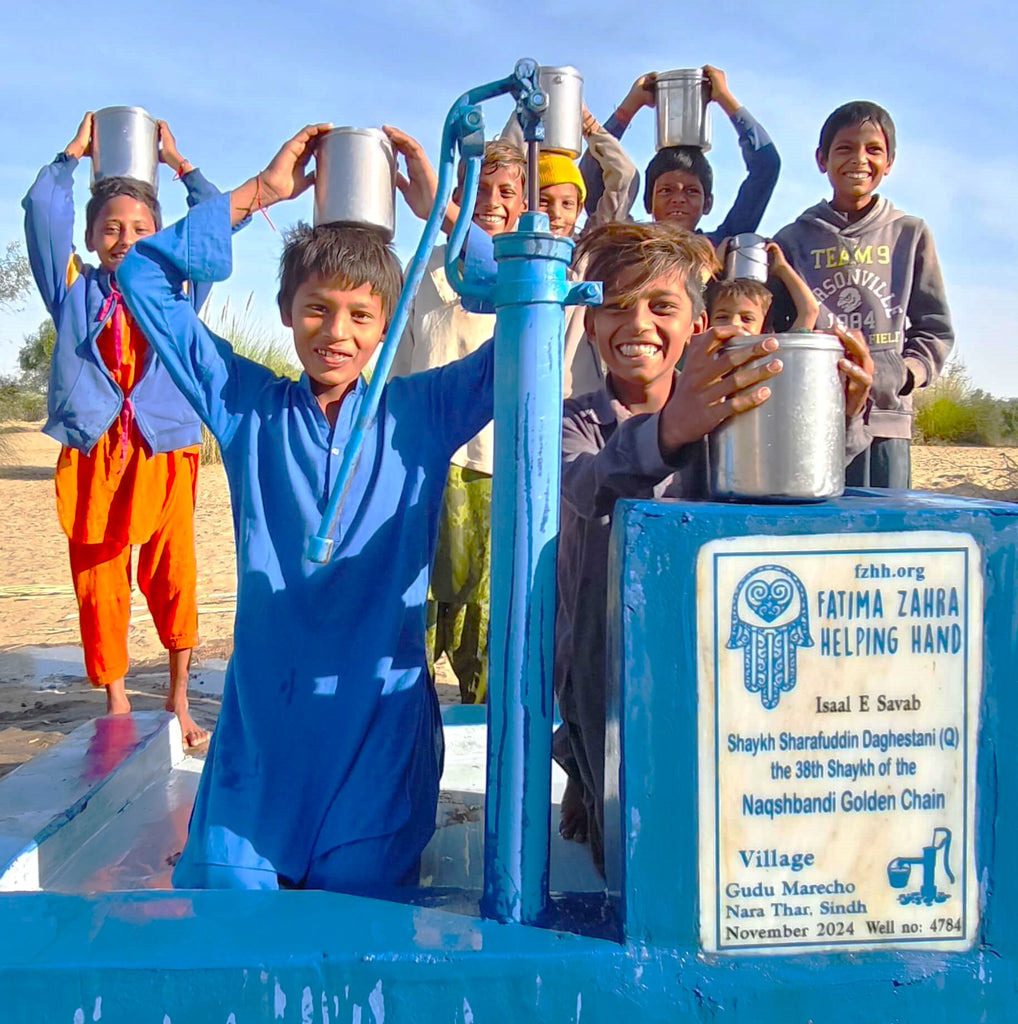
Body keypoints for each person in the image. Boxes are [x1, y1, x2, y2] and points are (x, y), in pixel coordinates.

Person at [116, 124, 495, 893]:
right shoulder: (244, 405)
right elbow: (141, 280)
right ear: (288, 312)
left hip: (377, 737)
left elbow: (532, 315)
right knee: (228, 899)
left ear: (388, 325)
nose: (338, 333)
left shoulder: (423, 412)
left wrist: (445, 217)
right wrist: (262, 191)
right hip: (264, 736)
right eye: (317, 310)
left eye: (362, 315)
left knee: (356, 906)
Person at [556, 221, 873, 869]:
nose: (636, 323)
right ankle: (588, 785)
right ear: (589, 328)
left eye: (661, 306)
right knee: (618, 847)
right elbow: (587, 487)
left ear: (698, 328)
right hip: (601, 663)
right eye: (614, 307)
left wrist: (834, 420)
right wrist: (668, 430)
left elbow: (779, 507)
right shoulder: (569, 421)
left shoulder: (733, 417)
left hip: (705, 652)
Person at [22, 112, 217, 747]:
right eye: (111, 228)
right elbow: (41, 216)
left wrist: (180, 164)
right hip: (95, 454)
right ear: (92, 235)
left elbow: (214, 222)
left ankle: (179, 695)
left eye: (139, 228)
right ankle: (115, 703)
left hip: (164, 449)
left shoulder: (178, 290)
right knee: (100, 581)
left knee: (173, 575)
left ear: (159, 236)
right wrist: (73, 155)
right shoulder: (74, 289)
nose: (125, 238)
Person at [385, 133, 527, 704]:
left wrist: (446, 215)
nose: (492, 199)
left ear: (522, 204)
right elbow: (400, 358)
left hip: (494, 464)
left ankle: (485, 729)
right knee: (415, 606)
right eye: (480, 188)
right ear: (462, 190)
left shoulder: (521, 272)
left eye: (505, 191)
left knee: (486, 619)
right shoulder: (427, 266)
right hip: (425, 463)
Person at [771, 101, 953, 488]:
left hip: (886, 422)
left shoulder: (910, 234)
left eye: (873, 149)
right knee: (815, 533)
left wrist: (903, 375)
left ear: (889, 162)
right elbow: (777, 328)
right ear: (822, 159)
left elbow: (934, 328)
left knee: (883, 536)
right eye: (845, 148)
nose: (859, 159)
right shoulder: (792, 240)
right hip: (812, 417)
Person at [579, 66, 780, 245]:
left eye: (691, 191)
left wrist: (725, 98)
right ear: (648, 202)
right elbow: (594, 175)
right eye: (666, 190)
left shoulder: (717, 247)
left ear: (708, 203)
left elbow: (767, 166)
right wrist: (629, 107)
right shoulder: (627, 244)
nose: (678, 199)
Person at [708, 240, 818, 334]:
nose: (734, 324)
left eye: (747, 319)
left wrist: (781, 268)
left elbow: (809, 311)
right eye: (722, 317)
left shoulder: (775, 351)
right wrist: (713, 267)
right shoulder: (698, 349)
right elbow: (694, 298)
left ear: (764, 325)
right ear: (705, 321)